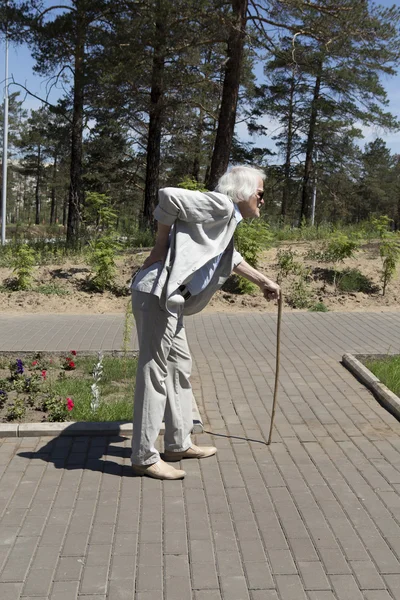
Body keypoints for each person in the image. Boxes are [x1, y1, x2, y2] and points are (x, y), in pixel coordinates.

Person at [130, 165, 280, 480]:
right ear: (243, 192)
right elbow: (168, 196)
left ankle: (178, 442)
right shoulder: (222, 205)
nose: (262, 201)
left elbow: (229, 256)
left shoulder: (224, 219)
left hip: (173, 299)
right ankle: (144, 456)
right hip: (158, 293)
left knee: (179, 366)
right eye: (260, 194)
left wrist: (263, 281)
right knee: (154, 371)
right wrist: (159, 246)